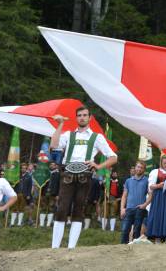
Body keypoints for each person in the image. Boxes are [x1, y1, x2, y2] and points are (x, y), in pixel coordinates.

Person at [49, 107, 118, 249]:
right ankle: (54, 248)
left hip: (85, 175)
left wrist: (98, 166)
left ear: (90, 117)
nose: (82, 117)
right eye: (79, 115)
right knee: (62, 208)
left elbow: (113, 157)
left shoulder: (97, 137)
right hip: (67, 173)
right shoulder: (68, 135)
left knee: (79, 210)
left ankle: (71, 248)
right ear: (76, 118)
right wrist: (60, 124)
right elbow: (53, 145)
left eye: (84, 115)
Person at [120, 161, 149, 244]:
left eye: (141, 167)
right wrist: (122, 209)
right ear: (135, 168)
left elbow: (151, 194)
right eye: (138, 167)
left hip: (140, 209)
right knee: (125, 230)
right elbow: (124, 196)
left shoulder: (147, 181)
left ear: (144, 170)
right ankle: (122, 248)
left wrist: (145, 205)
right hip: (128, 209)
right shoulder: (128, 181)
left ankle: (135, 250)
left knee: (137, 231)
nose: (139, 169)